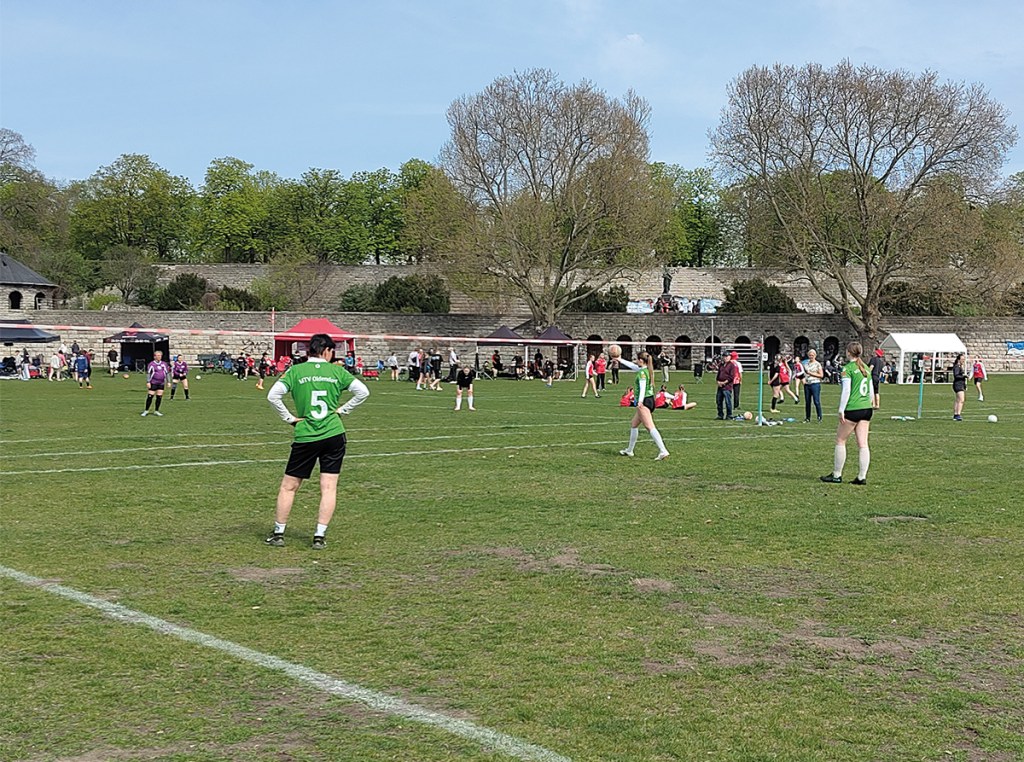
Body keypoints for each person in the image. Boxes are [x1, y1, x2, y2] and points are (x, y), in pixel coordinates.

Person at [265, 333, 369, 549]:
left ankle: (279, 533)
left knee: (289, 487)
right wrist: (342, 410)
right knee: (329, 487)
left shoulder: (296, 371)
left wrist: (290, 419)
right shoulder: (337, 371)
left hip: (306, 434)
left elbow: (273, 396)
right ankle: (319, 536)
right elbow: (363, 392)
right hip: (333, 433)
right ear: (327, 351)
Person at [820, 342, 873, 485]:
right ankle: (861, 477)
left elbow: (846, 390)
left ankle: (837, 474)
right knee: (863, 444)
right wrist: (868, 404)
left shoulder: (847, 368)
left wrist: (841, 409)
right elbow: (871, 391)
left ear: (849, 352)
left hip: (853, 408)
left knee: (840, 440)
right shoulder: (866, 368)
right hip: (866, 408)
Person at [616, 350, 670, 461]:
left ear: (641, 360)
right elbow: (633, 366)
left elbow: (643, 387)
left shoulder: (642, 373)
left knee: (650, 427)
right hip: (649, 400)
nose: (636, 361)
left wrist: (640, 401)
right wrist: (620, 359)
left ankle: (663, 450)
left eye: (637, 359)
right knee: (634, 424)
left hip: (644, 401)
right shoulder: (646, 369)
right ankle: (630, 450)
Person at [141, 350, 171, 417]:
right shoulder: (151, 364)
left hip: (161, 383)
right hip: (153, 382)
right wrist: (148, 382)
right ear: (154, 356)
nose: (159, 357)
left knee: (159, 397)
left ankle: (156, 411)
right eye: (157, 355)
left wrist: (168, 381)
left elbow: (167, 373)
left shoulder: (164, 364)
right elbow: (149, 373)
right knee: (150, 396)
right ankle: (146, 410)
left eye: (160, 355)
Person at [803, 348, 824, 423]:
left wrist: (811, 373)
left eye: (812, 355)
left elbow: (821, 375)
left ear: (815, 355)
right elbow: (804, 373)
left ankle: (819, 417)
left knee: (816, 401)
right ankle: (807, 417)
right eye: (810, 355)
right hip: (807, 384)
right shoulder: (806, 364)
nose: (811, 356)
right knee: (807, 402)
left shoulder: (817, 364)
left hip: (815, 384)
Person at [715, 352, 736, 420]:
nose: (725, 358)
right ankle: (720, 415)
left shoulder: (732, 365)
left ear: (730, 357)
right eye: (724, 356)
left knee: (728, 401)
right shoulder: (721, 365)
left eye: (727, 356)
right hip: (720, 386)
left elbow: (731, 377)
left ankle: (729, 415)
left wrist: (724, 382)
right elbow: (718, 374)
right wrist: (718, 381)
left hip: (727, 386)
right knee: (718, 401)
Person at [952, 353, 967, 421]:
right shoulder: (957, 367)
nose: (963, 360)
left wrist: (964, 385)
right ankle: (958, 414)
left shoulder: (959, 366)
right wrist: (964, 376)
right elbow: (956, 375)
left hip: (960, 384)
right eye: (962, 359)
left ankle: (956, 415)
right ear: (959, 360)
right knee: (961, 400)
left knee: (958, 400)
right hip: (958, 385)